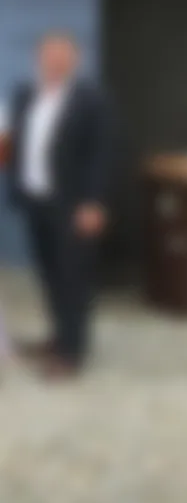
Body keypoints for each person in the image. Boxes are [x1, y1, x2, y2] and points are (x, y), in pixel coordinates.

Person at [0, 33, 111, 377]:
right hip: (35, 202)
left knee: (72, 279)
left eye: (62, 56)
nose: (55, 62)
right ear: (40, 59)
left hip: (72, 206)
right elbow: (13, 143)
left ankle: (71, 352)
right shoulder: (25, 94)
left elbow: (102, 154)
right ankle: (59, 337)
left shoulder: (89, 100)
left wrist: (94, 202)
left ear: (74, 60)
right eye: (49, 56)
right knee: (49, 275)